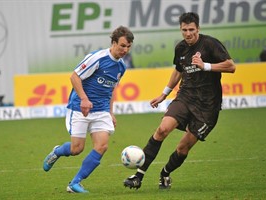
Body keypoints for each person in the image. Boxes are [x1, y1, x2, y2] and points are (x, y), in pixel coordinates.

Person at [123, 12, 235, 190]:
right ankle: (138, 176)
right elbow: (178, 71)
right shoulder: (180, 48)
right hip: (185, 97)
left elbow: (231, 66)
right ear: (180, 29)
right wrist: (163, 94)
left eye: (191, 29)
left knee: (183, 148)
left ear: (198, 29)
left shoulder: (210, 44)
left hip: (208, 107)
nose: (188, 33)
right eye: (184, 30)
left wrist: (205, 66)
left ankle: (165, 173)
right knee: (162, 130)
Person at [43, 26, 134, 193]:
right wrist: (84, 99)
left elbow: (111, 90)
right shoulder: (97, 58)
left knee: (102, 146)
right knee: (76, 149)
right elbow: (74, 76)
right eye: (122, 45)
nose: (125, 50)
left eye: (128, 46)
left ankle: (75, 183)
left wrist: (110, 112)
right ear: (113, 43)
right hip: (79, 108)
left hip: (101, 110)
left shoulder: (121, 67)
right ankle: (57, 151)